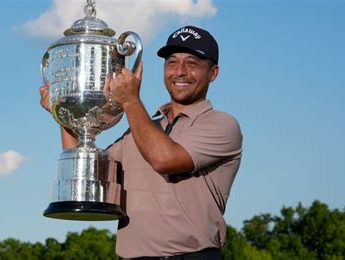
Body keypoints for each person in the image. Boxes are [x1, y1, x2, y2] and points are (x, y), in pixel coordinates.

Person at [40, 25, 243, 260]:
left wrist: (130, 100)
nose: (180, 71)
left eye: (193, 63)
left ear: (213, 73)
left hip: (191, 256)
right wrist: (64, 112)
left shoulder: (221, 124)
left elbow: (164, 159)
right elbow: (89, 171)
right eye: (172, 62)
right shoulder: (143, 127)